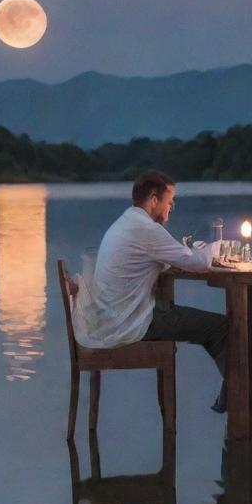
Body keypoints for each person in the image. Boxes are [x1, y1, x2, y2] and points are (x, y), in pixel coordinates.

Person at [72, 169, 229, 411]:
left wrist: (189, 253)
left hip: (111, 316)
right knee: (221, 328)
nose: (171, 207)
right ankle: (240, 397)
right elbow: (198, 264)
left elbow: (164, 258)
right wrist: (218, 246)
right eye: (169, 201)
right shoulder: (147, 229)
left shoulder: (126, 222)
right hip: (130, 321)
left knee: (206, 325)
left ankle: (233, 391)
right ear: (154, 200)